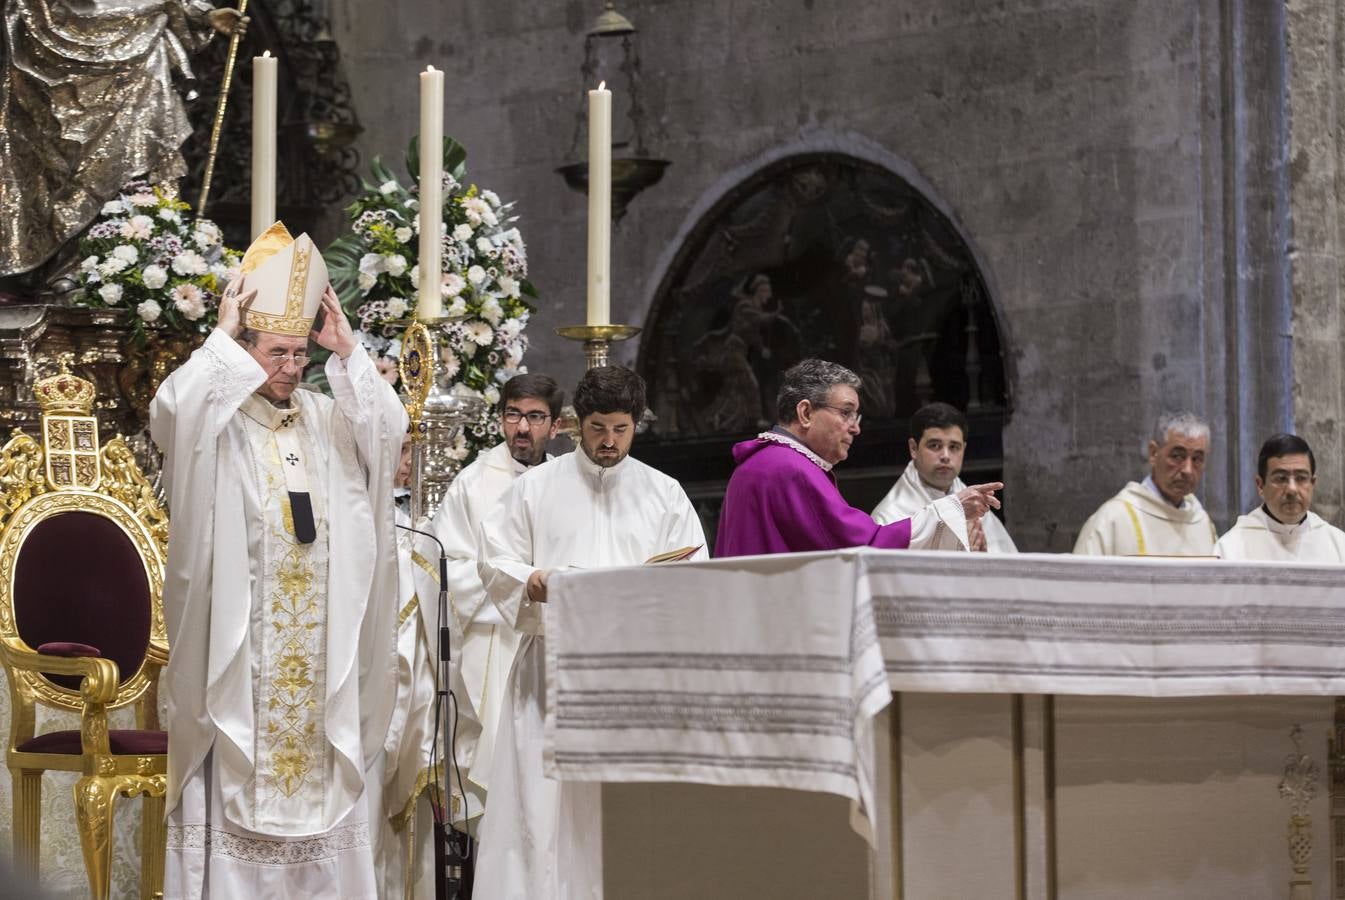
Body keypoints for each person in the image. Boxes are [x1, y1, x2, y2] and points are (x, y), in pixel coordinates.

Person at [150, 222, 406, 897]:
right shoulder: (219, 420)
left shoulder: (327, 417)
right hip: (245, 648)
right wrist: (223, 333)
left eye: (300, 354)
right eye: (276, 353)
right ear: (243, 348)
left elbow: (388, 432)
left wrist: (346, 350)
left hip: (321, 651)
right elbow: (172, 410)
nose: (291, 367)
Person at [473, 366, 707, 900]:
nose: (608, 441)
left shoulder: (664, 493)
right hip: (550, 669)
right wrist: (532, 580)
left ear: (636, 424)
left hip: (631, 677)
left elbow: (694, 571)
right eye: (597, 427)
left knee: (622, 807)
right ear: (579, 423)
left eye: (620, 429)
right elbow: (494, 560)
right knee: (539, 805)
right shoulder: (534, 488)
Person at [0, 0, 246, 278]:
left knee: (147, 139)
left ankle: (131, 262)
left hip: (140, 42)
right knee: (54, 157)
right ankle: (60, 266)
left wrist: (201, 13)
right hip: (52, 35)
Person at [429, 373, 564, 831]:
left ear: (556, 424)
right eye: (513, 415)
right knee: (498, 778)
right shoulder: (474, 483)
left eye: (534, 417)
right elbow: (448, 567)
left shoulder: (567, 482)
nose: (522, 428)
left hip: (555, 643)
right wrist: (518, 591)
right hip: (494, 645)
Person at [715, 358, 1001, 556]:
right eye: (845, 412)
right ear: (805, 413)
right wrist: (951, 509)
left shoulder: (759, 463)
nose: (856, 426)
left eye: (856, 415)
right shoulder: (792, 468)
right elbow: (862, 546)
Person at [872, 402, 1018, 553]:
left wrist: (982, 559)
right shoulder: (889, 516)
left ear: (964, 449)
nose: (946, 456)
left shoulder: (977, 505)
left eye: (954, 447)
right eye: (935, 445)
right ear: (913, 448)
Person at [1073, 411, 1217, 556]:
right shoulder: (1112, 520)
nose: (1188, 470)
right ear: (1153, 453)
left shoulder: (1203, 524)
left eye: (1197, 459)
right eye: (1177, 456)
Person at [1214, 433, 1345, 562]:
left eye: (1301, 478)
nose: (1292, 489)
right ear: (1260, 485)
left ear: (1313, 483)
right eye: (1281, 478)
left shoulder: (1338, 544)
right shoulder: (1229, 548)